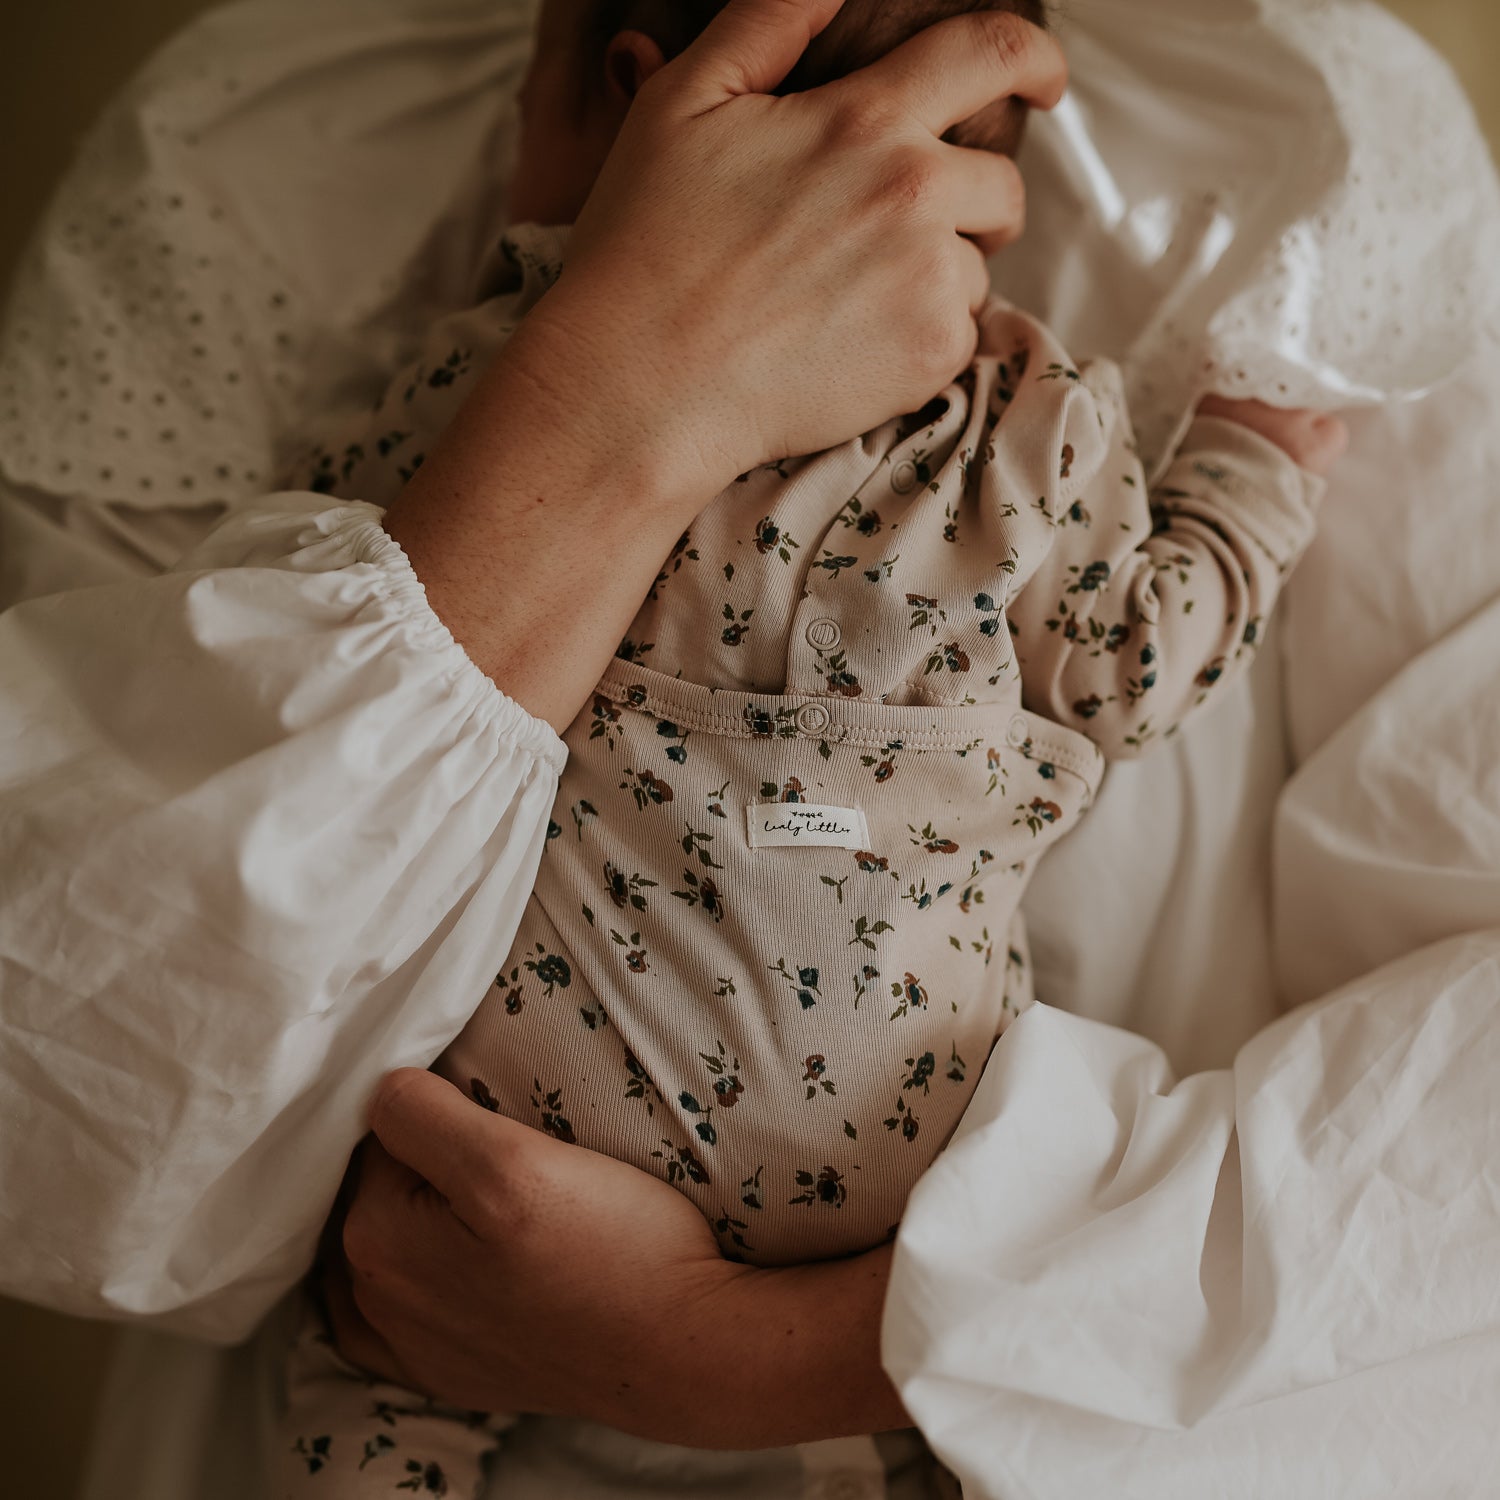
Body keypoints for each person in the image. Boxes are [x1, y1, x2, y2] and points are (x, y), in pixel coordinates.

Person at [262, 0, 1347, 1491]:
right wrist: (1250, 477)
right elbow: (1132, 671)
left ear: (636, 90)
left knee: (363, 1372)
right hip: (900, 1149)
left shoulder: (493, 382)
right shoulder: (1018, 419)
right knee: (988, 1393)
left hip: (510, 1119)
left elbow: (349, 624)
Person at [0, 0, 1067, 1447]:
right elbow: (65, 1120)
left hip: (426, 1349)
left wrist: (748, 1359)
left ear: (621, 87)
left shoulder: (1321, 158)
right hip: (1002, 1381)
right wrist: (629, 388)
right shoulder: (249, 126)